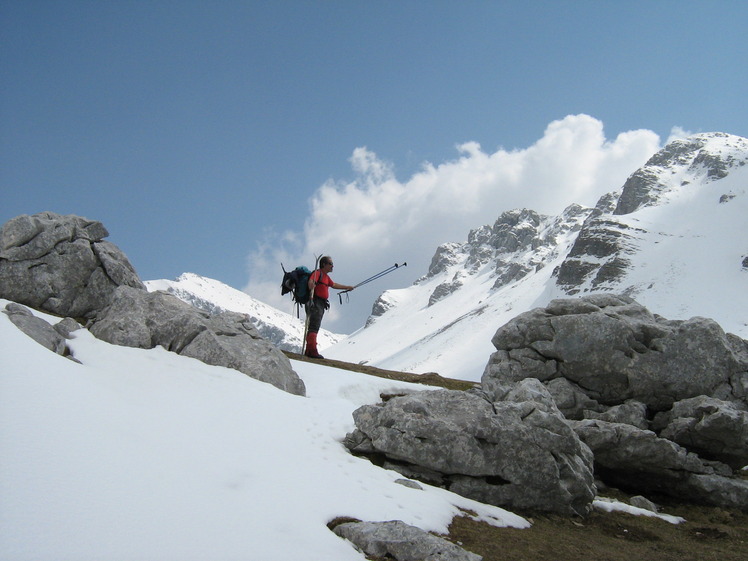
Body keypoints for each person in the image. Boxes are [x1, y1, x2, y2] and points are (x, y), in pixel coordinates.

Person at [305, 256, 354, 359]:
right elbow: (311, 282)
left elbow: (334, 284)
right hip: (315, 302)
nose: (332, 266)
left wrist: (347, 287)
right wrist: (311, 285)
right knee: (314, 327)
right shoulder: (318, 273)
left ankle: (309, 350)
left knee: (314, 326)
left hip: (320, 303)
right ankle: (312, 351)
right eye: (330, 264)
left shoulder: (325, 277)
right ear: (324, 264)